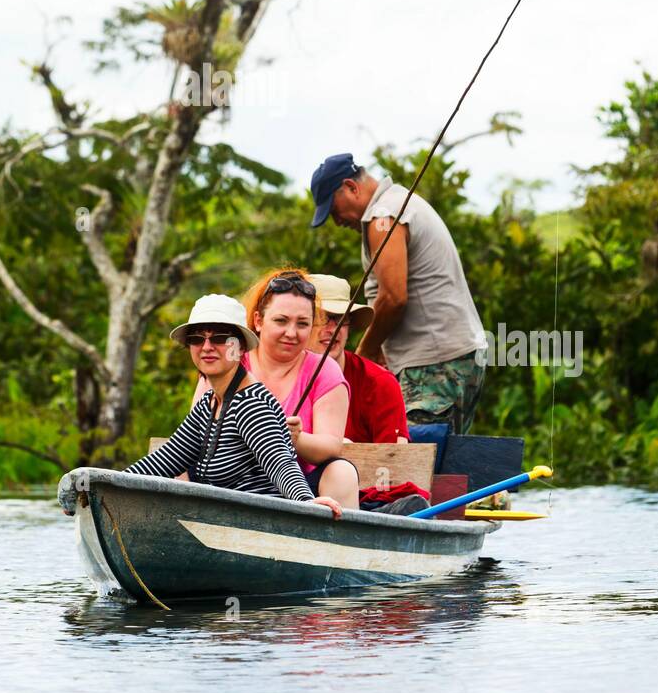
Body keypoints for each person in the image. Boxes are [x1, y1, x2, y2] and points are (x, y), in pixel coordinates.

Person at [118, 294, 345, 516]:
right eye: (197, 339)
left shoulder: (251, 403)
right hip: (220, 521)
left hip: (261, 524)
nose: (206, 346)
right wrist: (108, 485)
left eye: (219, 338)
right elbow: (162, 461)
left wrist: (306, 502)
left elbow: (279, 461)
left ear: (241, 347)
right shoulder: (208, 406)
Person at [309, 154, 487, 434]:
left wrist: (364, 353)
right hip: (452, 356)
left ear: (350, 188)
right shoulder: (398, 202)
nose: (336, 221)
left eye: (333, 210)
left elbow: (393, 298)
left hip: (433, 364)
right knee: (440, 464)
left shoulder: (384, 215)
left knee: (413, 459)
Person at [192, 269, 360, 510]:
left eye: (302, 324)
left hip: (300, 488)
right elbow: (193, 438)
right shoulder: (228, 364)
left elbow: (331, 446)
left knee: (342, 471)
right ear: (258, 321)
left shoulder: (325, 370)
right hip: (227, 484)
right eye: (281, 321)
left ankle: (334, 542)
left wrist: (297, 439)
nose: (291, 333)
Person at [307, 273, 409, 443]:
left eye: (341, 318)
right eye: (321, 318)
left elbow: (396, 459)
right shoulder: (277, 377)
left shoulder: (379, 382)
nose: (333, 328)